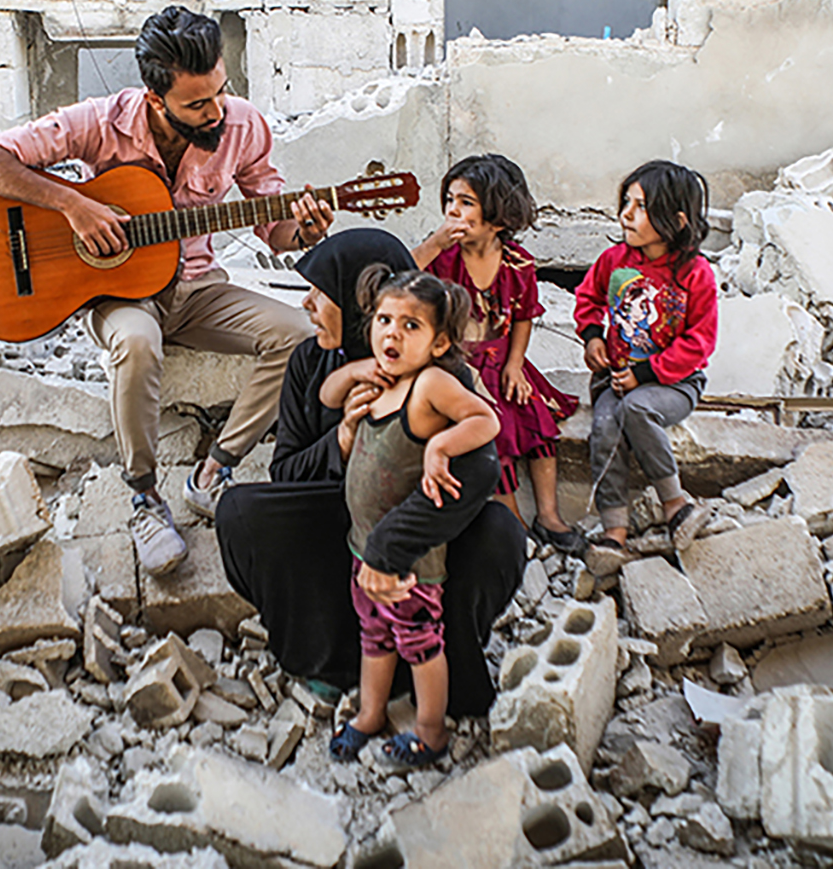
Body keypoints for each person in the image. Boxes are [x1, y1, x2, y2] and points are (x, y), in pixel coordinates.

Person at [0, 7, 333, 576]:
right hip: (123, 296)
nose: (216, 112)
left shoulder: (244, 125)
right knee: (137, 344)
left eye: (221, 92)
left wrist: (302, 227)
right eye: (197, 104)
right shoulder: (100, 121)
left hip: (198, 288)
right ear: (156, 99)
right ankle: (143, 494)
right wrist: (74, 204)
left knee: (300, 334)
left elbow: (274, 229)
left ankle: (215, 468)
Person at [214, 228, 526, 720]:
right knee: (239, 513)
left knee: (502, 533)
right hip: (340, 529)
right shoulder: (311, 362)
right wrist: (341, 440)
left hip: (419, 545)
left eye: (321, 293)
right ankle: (330, 660)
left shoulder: (438, 374)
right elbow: (286, 473)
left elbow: (482, 467)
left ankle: (439, 663)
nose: (309, 305)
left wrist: (394, 547)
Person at [323, 268, 499, 768]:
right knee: (374, 633)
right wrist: (354, 388)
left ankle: (431, 730)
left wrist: (440, 445)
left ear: (440, 341)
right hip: (363, 547)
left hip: (410, 559)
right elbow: (327, 394)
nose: (392, 334)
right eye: (383, 320)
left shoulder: (429, 385)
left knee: (419, 641)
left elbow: (487, 420)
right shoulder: (380, 381)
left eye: (410, 326)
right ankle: (371, 712)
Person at [414, 154, 580, 553]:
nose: (453, 209)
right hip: (457, 368)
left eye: (466, 202)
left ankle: (549, 515)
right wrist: (436, 240)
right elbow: (404, 275)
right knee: (497, 433)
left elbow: (523, 316)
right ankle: (512, 520)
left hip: (502, 361)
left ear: (499, 217)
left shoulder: (518, 264)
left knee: (539, 425)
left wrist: (516, 364)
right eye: (450, 199)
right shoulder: (441, 257)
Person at [571, 159, 719, 558]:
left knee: (636, 409)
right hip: (615, 379)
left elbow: (700, 341)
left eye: (640, 207)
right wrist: (592, 337)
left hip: (675, 382)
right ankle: (614, 529)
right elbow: (586, 298)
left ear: (677, 219)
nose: (626, 215)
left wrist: (647, 372)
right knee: (604, 427)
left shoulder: (695, 273)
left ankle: (676, 505)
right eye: (626, 203)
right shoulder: (614, 261)